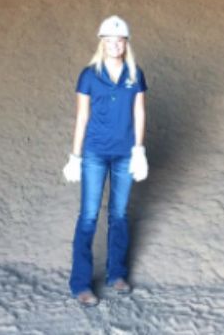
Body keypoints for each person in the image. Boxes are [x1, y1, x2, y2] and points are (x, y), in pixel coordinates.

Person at [62, 15, 149, 308]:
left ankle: (117, 275)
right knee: (88, 216)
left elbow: (139, 113)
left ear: (126, 43)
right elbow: (82, 117)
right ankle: (81, 283)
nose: (115, 45)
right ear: (102, 43)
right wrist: (75, 156)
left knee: (119, 215)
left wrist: (139, 150)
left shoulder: (135, 74)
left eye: (120, 40)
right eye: (109, 41)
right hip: (95, 153)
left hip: (125, 153)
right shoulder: (89, 75)